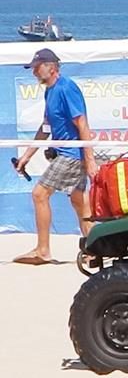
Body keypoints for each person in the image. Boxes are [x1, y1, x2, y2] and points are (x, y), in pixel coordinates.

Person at [13, 48, 98, 265]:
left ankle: (43, 250)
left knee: (39, 194)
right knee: (80, 202)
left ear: (51, 67)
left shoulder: (66, 87)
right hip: (69, 153)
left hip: (72, 154)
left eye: (37, 67)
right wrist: (26, 156)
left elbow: (82, 123)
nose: (34, 72)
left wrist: (90, 160)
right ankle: (95, 249)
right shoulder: (50, 91)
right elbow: (46, 127)